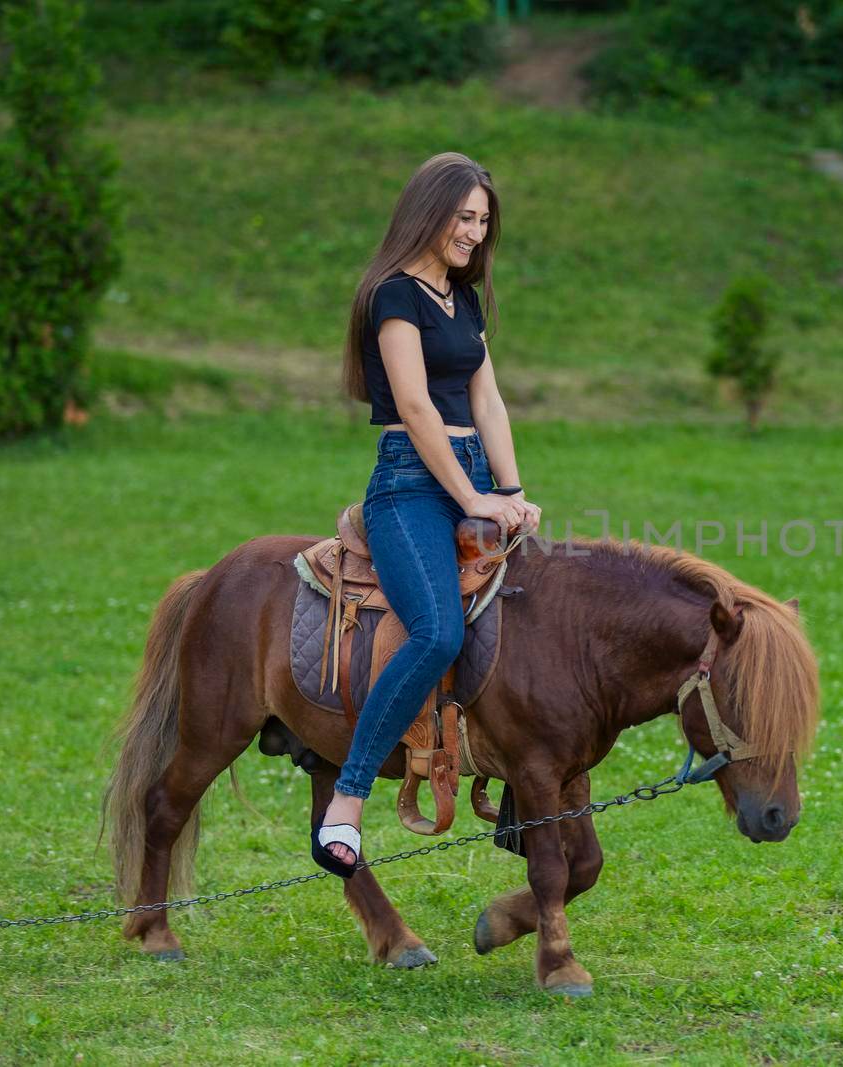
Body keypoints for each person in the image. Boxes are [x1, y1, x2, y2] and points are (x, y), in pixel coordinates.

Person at [312, 152, 542, 878]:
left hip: (474, 475)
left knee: (539, 607)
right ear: (427, 212)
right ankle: (347, 799)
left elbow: (488, 401)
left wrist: (510, 489)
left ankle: (519, 787)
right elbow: (415, 406)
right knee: (439, 629)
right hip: (409, 487)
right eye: (463, 218)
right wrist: (472, 500)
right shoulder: (394, 296)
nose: (475, 233)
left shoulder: (461, 300)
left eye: (483, 221)